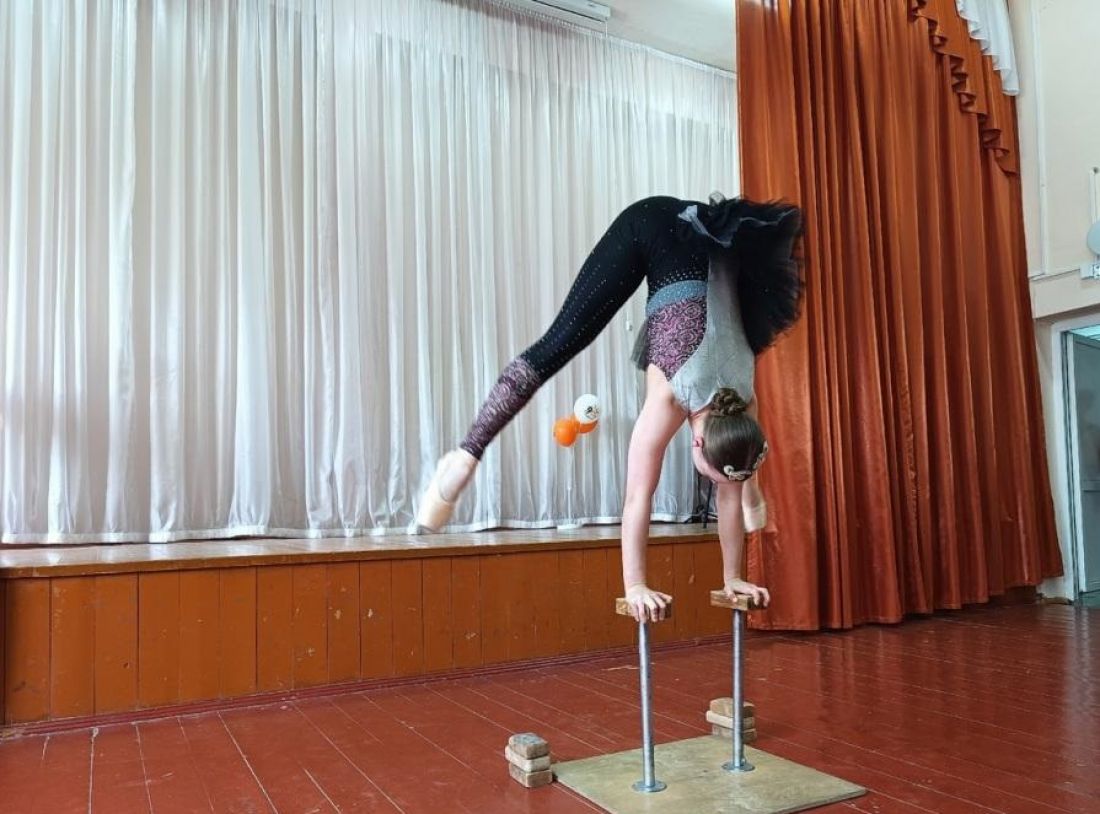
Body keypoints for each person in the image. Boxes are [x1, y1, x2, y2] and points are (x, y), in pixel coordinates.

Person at [417, 192, 803, 621]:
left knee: (737, 482)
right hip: (653, 226)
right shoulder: (668, 396)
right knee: (559, 342)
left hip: (709, 253)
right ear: (696, 442)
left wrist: (733, 577)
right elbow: (637, 498)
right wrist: (635, 585)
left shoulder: (744, 401)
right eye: (717, 478)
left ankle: (752, 491)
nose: (719, 489)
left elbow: (728, 493)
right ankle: (464, 456)